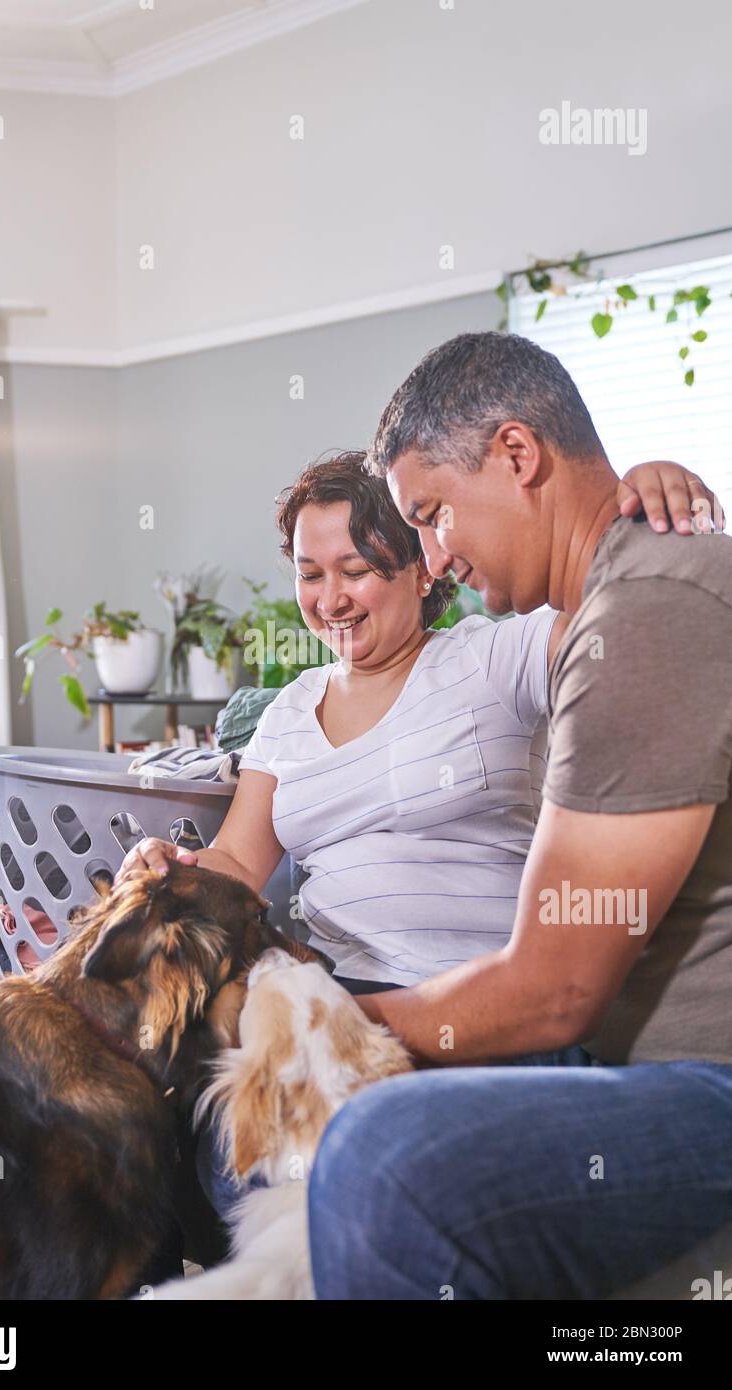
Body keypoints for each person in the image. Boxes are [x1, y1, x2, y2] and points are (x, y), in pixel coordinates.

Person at [116, 450, 717, 1222]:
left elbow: (615, 603)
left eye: (355, 568)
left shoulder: (494, 656)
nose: (329, 599)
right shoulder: (288, 711)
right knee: (254, 1170)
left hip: (486, 1007)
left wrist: (641, 489)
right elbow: (237, 861)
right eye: (309, 573)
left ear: (422, 567)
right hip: (337, 999)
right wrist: (175, 864)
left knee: (378, 1182)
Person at [305, 330, 732, 1299]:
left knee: (384, 1162)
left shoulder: (649, 610)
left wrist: (330, 1026)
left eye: (430, 515)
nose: (432, 557)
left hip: (706, 1077)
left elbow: (552, 990)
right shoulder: (619, 600)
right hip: (628, 1053)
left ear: (516, 454)